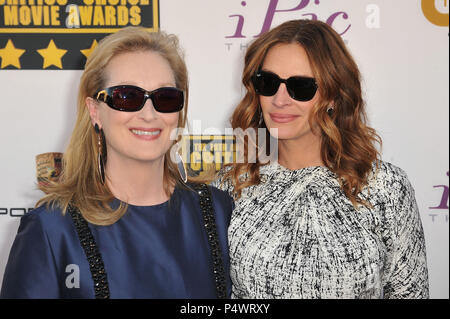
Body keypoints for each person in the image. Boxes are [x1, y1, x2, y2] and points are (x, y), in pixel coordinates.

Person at [1, 27, 232, 299]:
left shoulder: (218, 212)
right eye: (127, 97)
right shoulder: (52, 228)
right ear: (95, 111)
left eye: (165, 97)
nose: (149, 114)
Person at [213, 19, 429, 299]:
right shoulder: (231, 186)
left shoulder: (385, 187)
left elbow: (409, 293)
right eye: (267, 83)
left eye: (300, 87)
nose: (280, 100)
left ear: (333, 96)